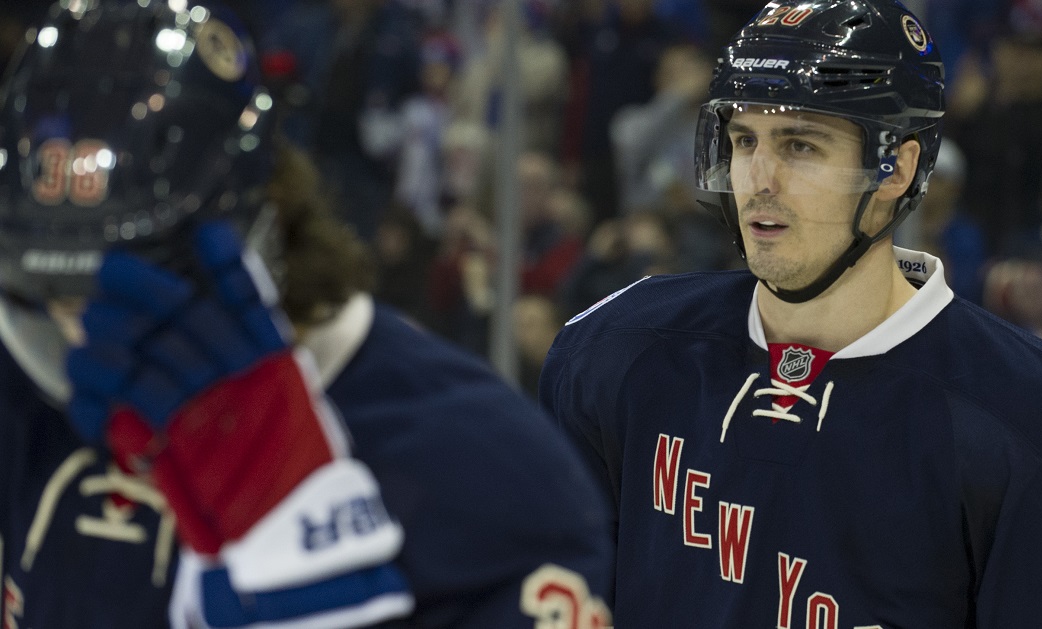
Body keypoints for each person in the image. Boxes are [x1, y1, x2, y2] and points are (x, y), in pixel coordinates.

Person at [539, 1, 1042, 626]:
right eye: (745, 139)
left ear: (898, 168)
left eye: (801, 145)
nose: (760, 178)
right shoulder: (615, 349)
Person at [0, 2, 611, 628]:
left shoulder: (490, 467)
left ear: (263, 225)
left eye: (139, 288)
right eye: (55, 294)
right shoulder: (25, 399)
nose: (86, 335)